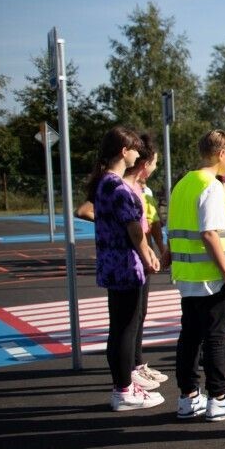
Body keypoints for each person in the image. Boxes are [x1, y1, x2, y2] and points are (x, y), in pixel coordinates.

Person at [168, 130, 225, 421]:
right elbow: (209, 233)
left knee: (189, 336)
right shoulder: (211, 187)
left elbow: (175, 229)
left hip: (186, 276)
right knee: (216, 337)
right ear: (220, 154)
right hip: (210, 276)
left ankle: (188, 397)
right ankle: (218, 398)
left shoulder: (183, 184)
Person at [86, 126, 164, 411]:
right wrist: (148, 256)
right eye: (134, 149)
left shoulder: (103, 183)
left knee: (119, 327)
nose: (138, 154)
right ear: (124, 151)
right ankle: (124, 389)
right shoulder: (118, 187)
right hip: (125, 265)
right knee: (126, 328)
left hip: (110, 262)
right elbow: (134, 230)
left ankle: (123, 385)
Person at [122, 133, 170, 387]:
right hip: (131, 259)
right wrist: (149, 250)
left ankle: (136, 365)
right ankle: (127, 376)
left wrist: (158, 249)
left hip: (142, 258)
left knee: (139, 314)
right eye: (155, 163)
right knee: (127, 320)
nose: (156, 167)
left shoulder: (143, 189)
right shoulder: (122, 186)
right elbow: (136, 227)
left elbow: (152, 223)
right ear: (146, 162)